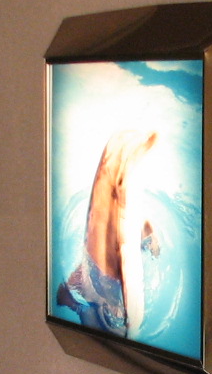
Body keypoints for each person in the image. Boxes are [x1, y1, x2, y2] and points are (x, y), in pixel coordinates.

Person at [56, 128, 162, 340]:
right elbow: (126, 256)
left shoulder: (106, 175)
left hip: (90, 264)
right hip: (108, 282)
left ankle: (76, 303)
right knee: (105, 319)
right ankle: (81, 306)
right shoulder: (124, 190)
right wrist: (135, 326)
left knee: (79, 299)